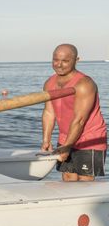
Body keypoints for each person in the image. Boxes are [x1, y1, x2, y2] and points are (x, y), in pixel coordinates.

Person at [41, 44, 106, 181]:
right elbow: (48, 112)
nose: (59, 64)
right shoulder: (49, 83)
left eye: (65, 61)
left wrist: (67, 147)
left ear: (76, 60)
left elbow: (79, 120)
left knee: (85, 181)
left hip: (89, 138)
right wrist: (46, 140)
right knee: (68, 177)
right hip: (65, 137)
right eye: (55, 60)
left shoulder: (84, 84)